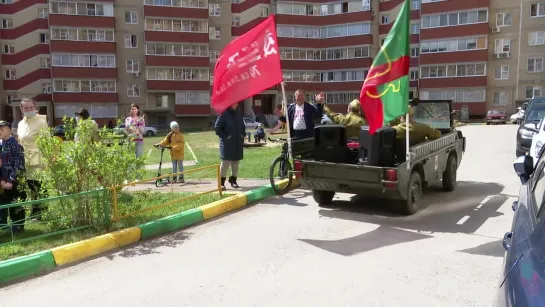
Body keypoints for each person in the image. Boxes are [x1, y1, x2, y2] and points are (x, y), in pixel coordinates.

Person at [17, 98, 48, 218]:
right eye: (26, 108)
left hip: (38, 157)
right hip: (25, 157)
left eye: (31, 107)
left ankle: (41, 211)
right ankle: (34, 210)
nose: (29, 110)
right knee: (30, 185)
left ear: (35, 108)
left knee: (39, 185)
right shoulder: (21, 123)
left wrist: (48, 158)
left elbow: (46, 141)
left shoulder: (41, 122)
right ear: (22, 109)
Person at [0, 121, 27, 233]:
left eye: (2, 129)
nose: (0, 132)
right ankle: (5, 225)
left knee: (17, 202)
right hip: (3, 181)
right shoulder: (1, 145)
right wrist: (1, 180)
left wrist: (11, 181)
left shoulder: (16, 145)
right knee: (6, 203)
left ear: (10, 130)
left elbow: (18, 165)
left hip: (16, 181)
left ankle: (18, 225)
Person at [215, 103, 245, 190]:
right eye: (234, 103)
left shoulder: (239, 113)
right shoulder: (224, 113)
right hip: (227, 143)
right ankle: (221, 182)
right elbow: (217, 128)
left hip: (237, 142)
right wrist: (226, 136)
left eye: (237, 103)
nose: (236, 104)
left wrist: (243, 134)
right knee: (226, 162)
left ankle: (233, 180)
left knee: (236, 162)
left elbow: (242, 126)